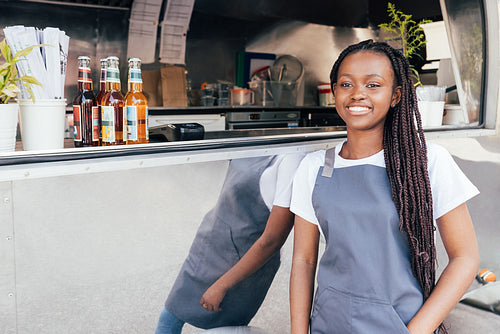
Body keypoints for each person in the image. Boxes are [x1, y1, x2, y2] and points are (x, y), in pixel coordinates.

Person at [289, 40, 480, 334]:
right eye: (346, 84)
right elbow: (303, 259)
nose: (357, 94)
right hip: (328, 325)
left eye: (373, 85)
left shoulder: (426, 163)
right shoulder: (313, 167)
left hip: (401, 326)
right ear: (334, 93)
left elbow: (465, 258)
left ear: (396, 95)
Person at [155, 153, 304, 333]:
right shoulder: (253, 142)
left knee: (221, 327)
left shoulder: (291, 159)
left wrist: (222, 285)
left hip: (239, 262)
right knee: (169, 316)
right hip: (209, 243)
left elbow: (272, 240)